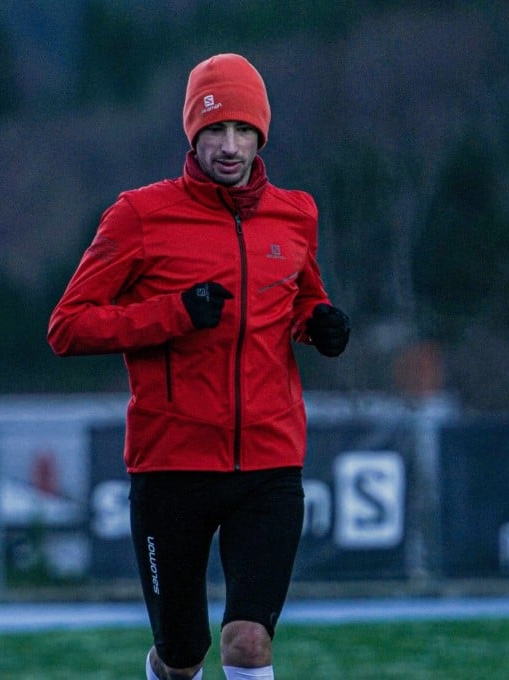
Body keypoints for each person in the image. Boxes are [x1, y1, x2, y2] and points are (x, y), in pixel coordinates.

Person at [48, 53, 350, 680]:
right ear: (192, 134)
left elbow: (297, 298)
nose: (230, 146)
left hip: (270, 463)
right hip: (172, 466)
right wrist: (174, 313)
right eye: (214, 129)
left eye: (243, 130)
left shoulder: (296, 215)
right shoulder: (138, 216)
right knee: (184, 656)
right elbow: (67, 327)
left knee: (247, 642)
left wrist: (317, 322)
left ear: (262, 134)